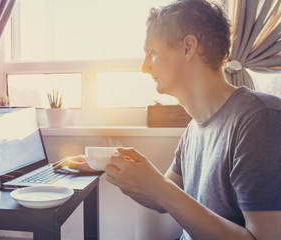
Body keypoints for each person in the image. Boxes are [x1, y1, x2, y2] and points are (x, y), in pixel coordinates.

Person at [53, 0, 281, 239]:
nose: (144, 68)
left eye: (151, 53)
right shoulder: (195, 128)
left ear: (188, 47)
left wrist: (159, 187)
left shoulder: (260, 119)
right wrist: (106, 163)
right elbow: (163, 200)